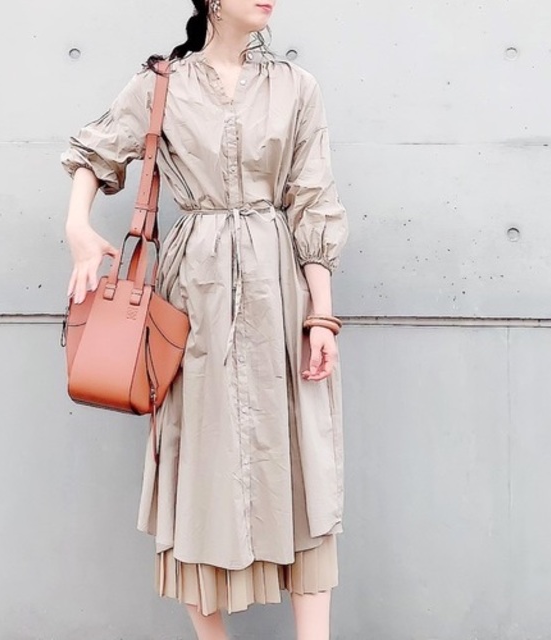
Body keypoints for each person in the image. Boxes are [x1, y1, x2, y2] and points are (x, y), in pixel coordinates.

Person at [60, 0, 348, 638]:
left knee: (300, 458)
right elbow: (92, 153)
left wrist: (321, 317)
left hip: (279, 291)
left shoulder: (296, 86)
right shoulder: (161, 84)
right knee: (195, 457)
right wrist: (78, 227)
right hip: (194, 292)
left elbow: (314, 199)